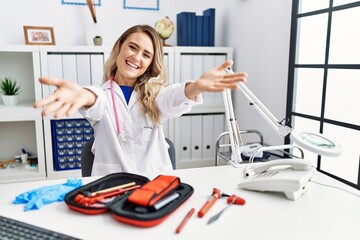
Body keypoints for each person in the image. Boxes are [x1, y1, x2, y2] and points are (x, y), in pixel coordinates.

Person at [34, 25, 247, 176]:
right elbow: (94, 98)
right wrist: (81, 95)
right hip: (111, 184)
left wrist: (195, 87)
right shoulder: (103, 93)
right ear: (120, 47)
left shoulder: (154, 96)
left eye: (146, 54)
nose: (137, 57)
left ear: (150, 63)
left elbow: (171, 97)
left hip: (152, 183)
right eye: (133, 47)